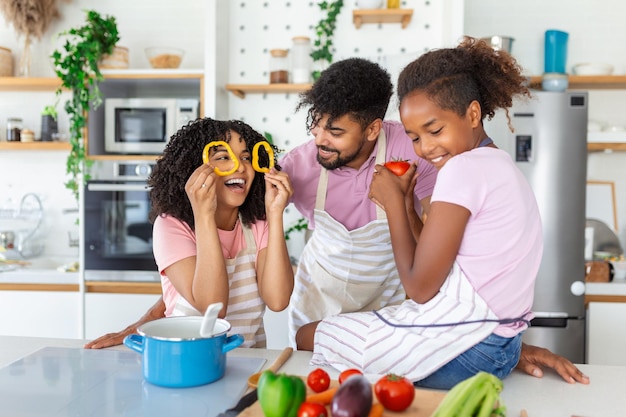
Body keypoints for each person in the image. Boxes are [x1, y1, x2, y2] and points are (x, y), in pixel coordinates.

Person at [84, 58, 589, 385]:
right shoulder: (297, 167)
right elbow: (190, 280)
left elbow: (456, 268)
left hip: (400, 313)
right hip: (319, 312)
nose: (319, 140)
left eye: (336, 130)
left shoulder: (422, 157)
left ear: (373, 129)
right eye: (315, 125)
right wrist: (139, 327)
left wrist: (495, 338)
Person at [302, 37, 576, 389]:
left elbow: (419, 289)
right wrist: (403, 202)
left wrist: (394, 206)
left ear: (472, 113)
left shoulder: (462, 171)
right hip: (500, 346)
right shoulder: (499, 165)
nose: (426, 148)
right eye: (415, 137)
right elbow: (437, 257)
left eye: (435, 130)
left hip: (465, 351)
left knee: (309, 334)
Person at [144, 117, 293, 348]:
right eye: (224, 157)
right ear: (194, 169)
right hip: (191, 362)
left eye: (246, 157)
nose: (241, 166)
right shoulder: (171, 227)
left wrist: (275, 214)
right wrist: (203, 214)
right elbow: (213, 306)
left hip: (250, 366)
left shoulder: (257, 224)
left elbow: (278, 299)